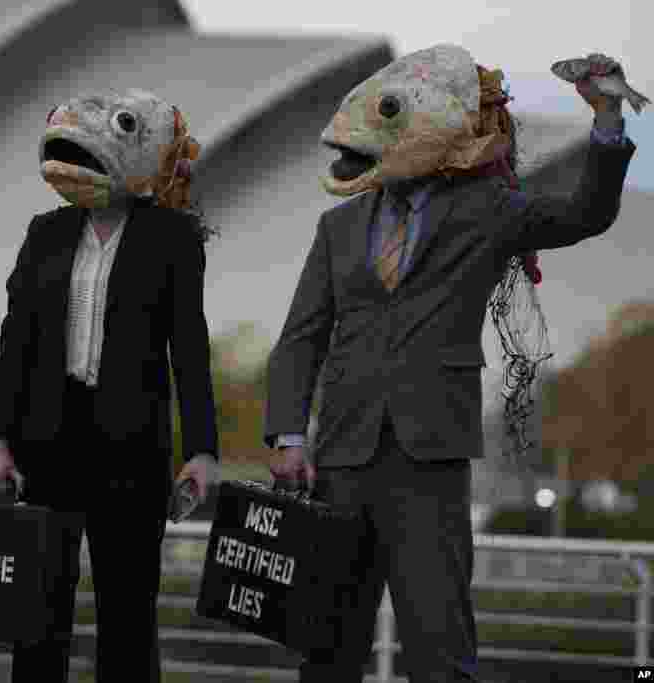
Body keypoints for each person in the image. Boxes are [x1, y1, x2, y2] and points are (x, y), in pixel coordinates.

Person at [263, 45, 635, 683]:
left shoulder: (485, 210)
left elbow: (583, 214)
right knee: (326, 651)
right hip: (341, 460)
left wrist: (605, 122)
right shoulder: (337, 227)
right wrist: (289, 433)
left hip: (429, 461)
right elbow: (301, 336)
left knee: (439, 649)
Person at [0, 89, 219, 683]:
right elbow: (16, 343)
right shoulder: (45, 234)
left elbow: (188, 349)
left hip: (133, 451)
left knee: (129, 622)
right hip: (50, 442)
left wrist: (203, 450)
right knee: (37, 617)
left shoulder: (173, 238)